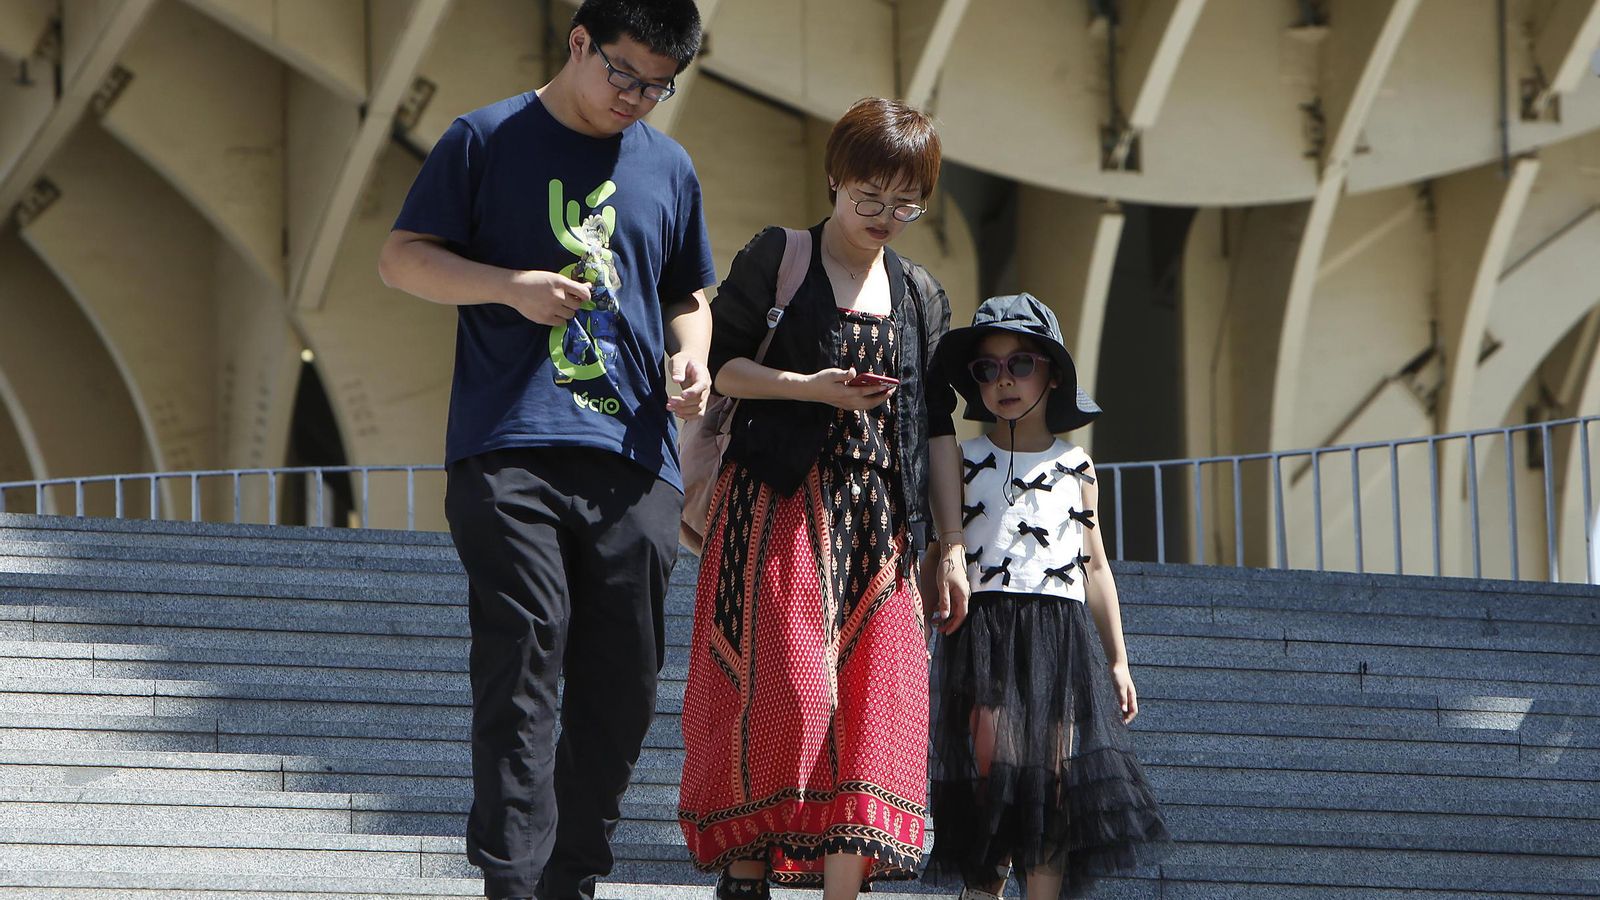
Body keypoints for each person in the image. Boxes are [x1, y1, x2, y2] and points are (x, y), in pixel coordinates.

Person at [375, 2, 715, 898]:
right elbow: (401, 259)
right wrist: (509, 287)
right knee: (524, 652)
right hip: (508, 447)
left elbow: (687, 294)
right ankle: (514, 882)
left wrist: (693, 356)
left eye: (657, 86)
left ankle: (572, 878)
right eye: (623, 74)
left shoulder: (670, 166)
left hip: (636, 458)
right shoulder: (484, 138)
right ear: (579, 42)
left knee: (626, 683)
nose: (635, 98)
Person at [676, 98, 969, 900]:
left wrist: (950, 545)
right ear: (835, 179)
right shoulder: (782, 255)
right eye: (869, 196)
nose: (884, 217)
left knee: (877, 705)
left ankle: (847, 887)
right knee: (784, 691)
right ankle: (746, 872)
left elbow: (936, 426)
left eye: (905, 203)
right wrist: (812, 388)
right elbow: (724, 366)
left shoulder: (920, 294)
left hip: (880, 522)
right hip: (776, 508)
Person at [924, 293, 1173, 898]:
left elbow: (1095, 566)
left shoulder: (1077, 466)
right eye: (986, 368)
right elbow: (936, 550)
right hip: (983, 628)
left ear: (1053, 374)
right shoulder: (962, 459)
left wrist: (1117, 660)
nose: (1003, 380)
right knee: (993, 770)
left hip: (1056, 634)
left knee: (1048, 783)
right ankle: (983, 889)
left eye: (1020, 364)